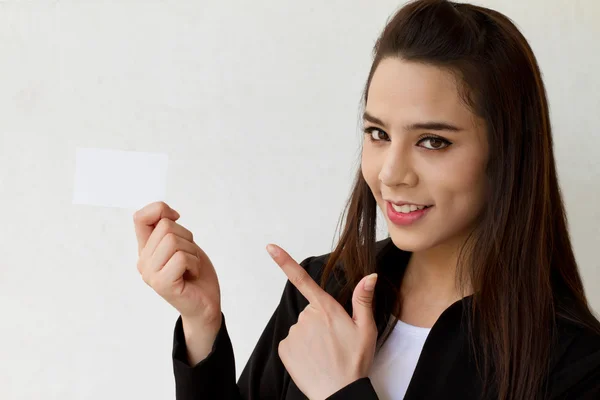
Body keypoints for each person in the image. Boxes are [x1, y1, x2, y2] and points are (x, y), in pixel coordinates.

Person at [133, 0, 600, 399]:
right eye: (378, 133)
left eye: (433, 141)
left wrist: (343, 392)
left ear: (508, 154)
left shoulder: (574, 364)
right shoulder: (323, 290)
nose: (392, 173)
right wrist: (202, 325)